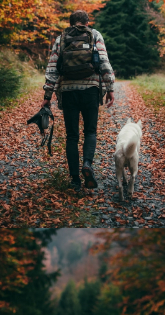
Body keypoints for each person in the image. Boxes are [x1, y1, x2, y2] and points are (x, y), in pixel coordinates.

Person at [41, 10, 115, 193]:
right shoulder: (95, 35)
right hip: (90, 90)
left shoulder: (61, 38)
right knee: (90, 131)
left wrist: (47, 96)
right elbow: (104, 62)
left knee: (72, 136)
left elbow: (52, 67)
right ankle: (87, 165)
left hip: (68, 92)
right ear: (87, 23)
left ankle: (75, 179)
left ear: (71, 22)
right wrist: (110, 88)